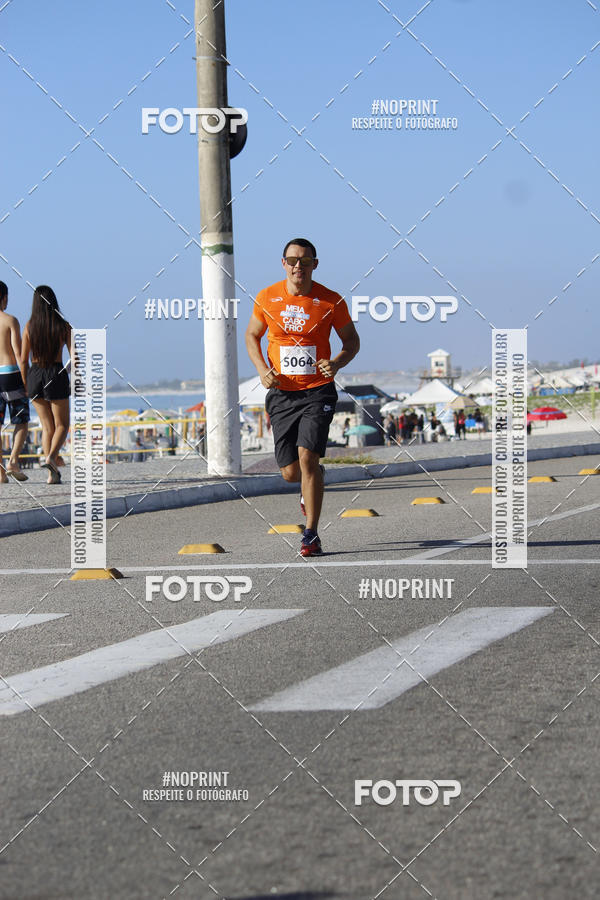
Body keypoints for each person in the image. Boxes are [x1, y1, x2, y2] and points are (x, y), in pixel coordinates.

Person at [245, 238, 360, 556]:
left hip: (317, 391)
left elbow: (351, 341)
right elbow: (252, 335)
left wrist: (335, 363)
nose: (299, 266)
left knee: (308, 458)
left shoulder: (330, 301)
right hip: (282, 392)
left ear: (315, 264)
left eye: (305, 260)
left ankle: (311, 534)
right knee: (290, 473)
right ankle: (314, 478)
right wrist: (261, 368)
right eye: (293, 260)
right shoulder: (267, 298)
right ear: (283, 263)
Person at [21, 286, 71, 484]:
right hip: (56, 372)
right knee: (62, 424)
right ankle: (51, 457)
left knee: (47, 426)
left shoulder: (29, 326)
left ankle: (52, 474)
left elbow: (23, 359)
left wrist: (25, 383)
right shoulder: (64, 326)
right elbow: (75, 357)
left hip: (35, 373)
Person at [0, 281, 30, 481]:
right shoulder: (11, 320)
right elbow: (19, 354)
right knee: (21, 421)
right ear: (3, 297)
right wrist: (26, 381)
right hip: (11, 375)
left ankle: (0, 472)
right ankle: (13, 460)